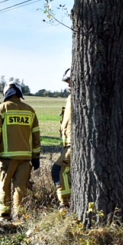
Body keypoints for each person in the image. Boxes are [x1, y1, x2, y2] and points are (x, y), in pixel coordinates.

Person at [0, 82, 41, 220]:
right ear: (19, 93)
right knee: (20, 188)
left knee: (4, 187)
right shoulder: (30, 111)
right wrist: (36, 156)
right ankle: (19, 216)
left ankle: (3, 215)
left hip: (7, 157)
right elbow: (36, 135)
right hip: (25, 158)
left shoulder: (1, 109)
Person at [52, 69, 73, 207]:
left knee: (57, 171)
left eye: (70, 81)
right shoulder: (71, 98)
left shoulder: (79, 97)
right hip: (68, 145)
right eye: (67, 82)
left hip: (73, 145)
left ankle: (65, 204)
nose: (68, 85)